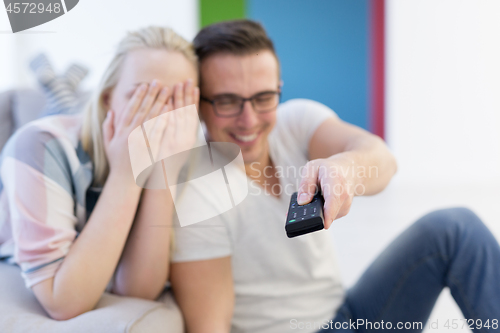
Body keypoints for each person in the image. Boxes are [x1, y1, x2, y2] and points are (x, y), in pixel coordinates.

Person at [169, 20, 500, 333]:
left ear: (278, 89)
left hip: (346, 314)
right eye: (228, 101)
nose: (249, 119)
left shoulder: (295, 122)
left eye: (263, 97)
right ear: (198, 103)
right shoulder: (195, 194)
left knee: (456, 228)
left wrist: (346, 167)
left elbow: (383, 160)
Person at [0, 26, 199, 320]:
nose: (159, 114)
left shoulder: (181, 153)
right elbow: (63, 300)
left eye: (176, 100)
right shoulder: (37, 145)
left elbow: (137, 290)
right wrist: (125, 171)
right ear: (108, 98)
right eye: (143, 95)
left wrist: (164, 172)